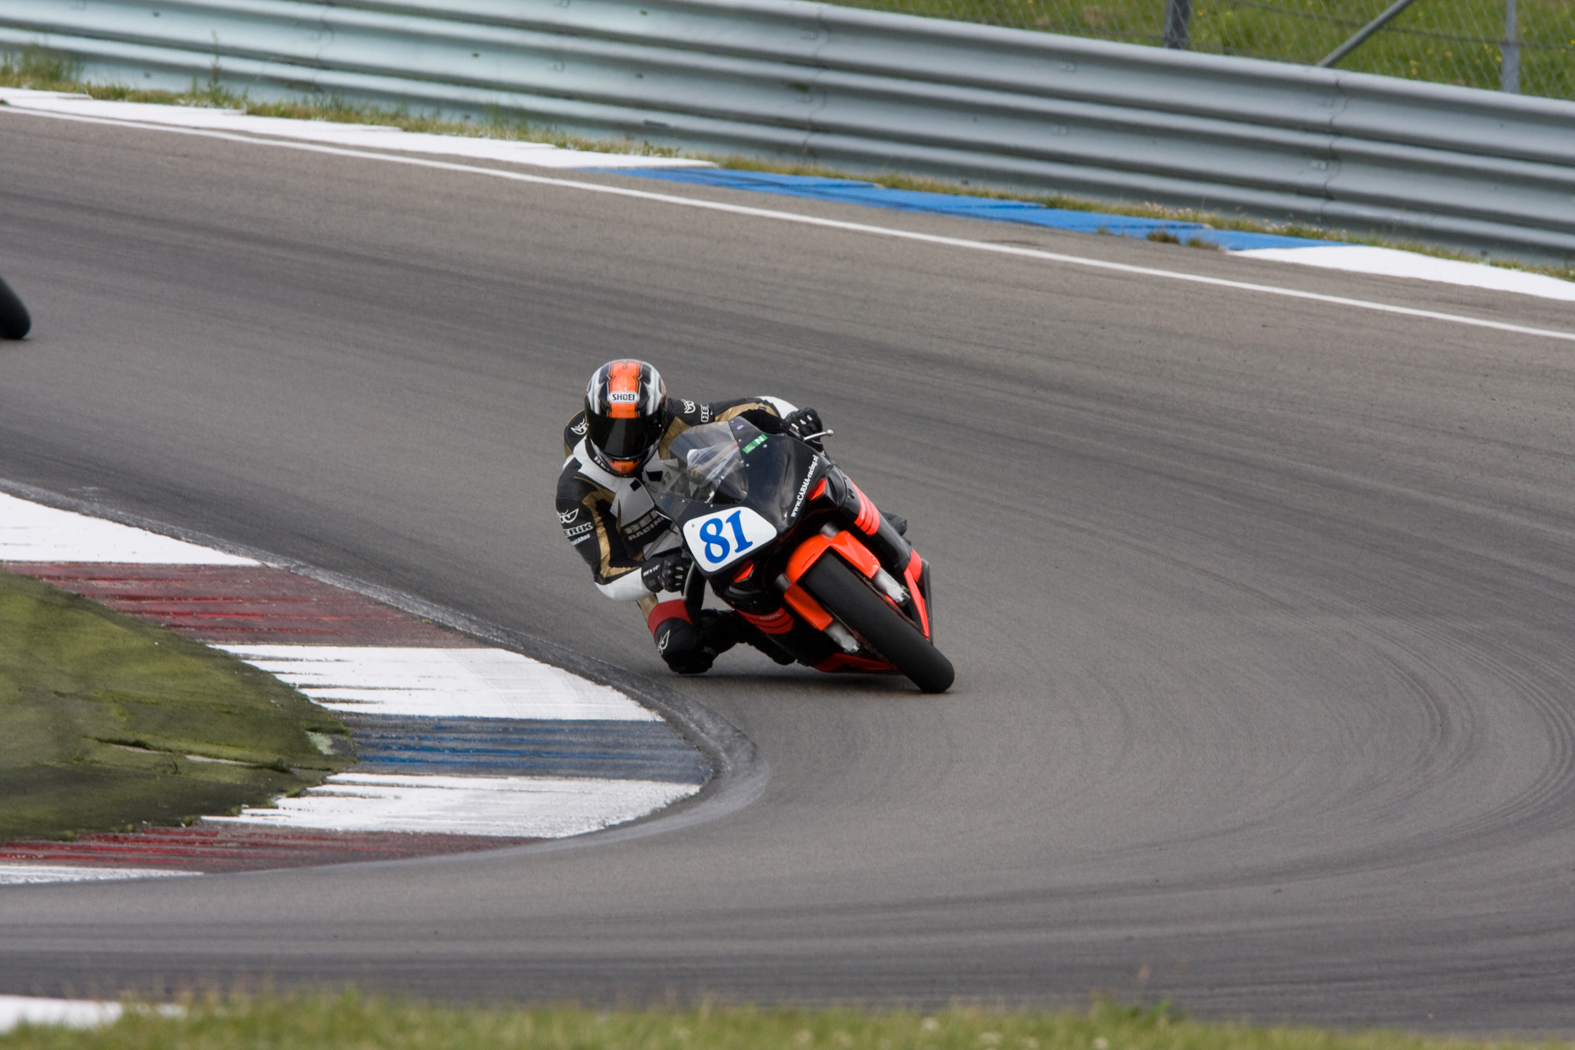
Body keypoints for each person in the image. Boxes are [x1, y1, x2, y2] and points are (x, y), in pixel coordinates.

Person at [556, 359, 826, 674]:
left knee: (792, 447)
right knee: (680, 648)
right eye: (610, 430)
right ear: (592, 421)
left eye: (635, 430)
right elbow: (607, 573)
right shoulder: (575, 491)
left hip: (687, 495)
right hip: (656, 555)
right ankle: (751, 626)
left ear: (656, 417)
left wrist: (788, 422)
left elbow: (738, 411)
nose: (623, 443)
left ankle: (855, 512)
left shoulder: (672, 415)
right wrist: (651, 574)